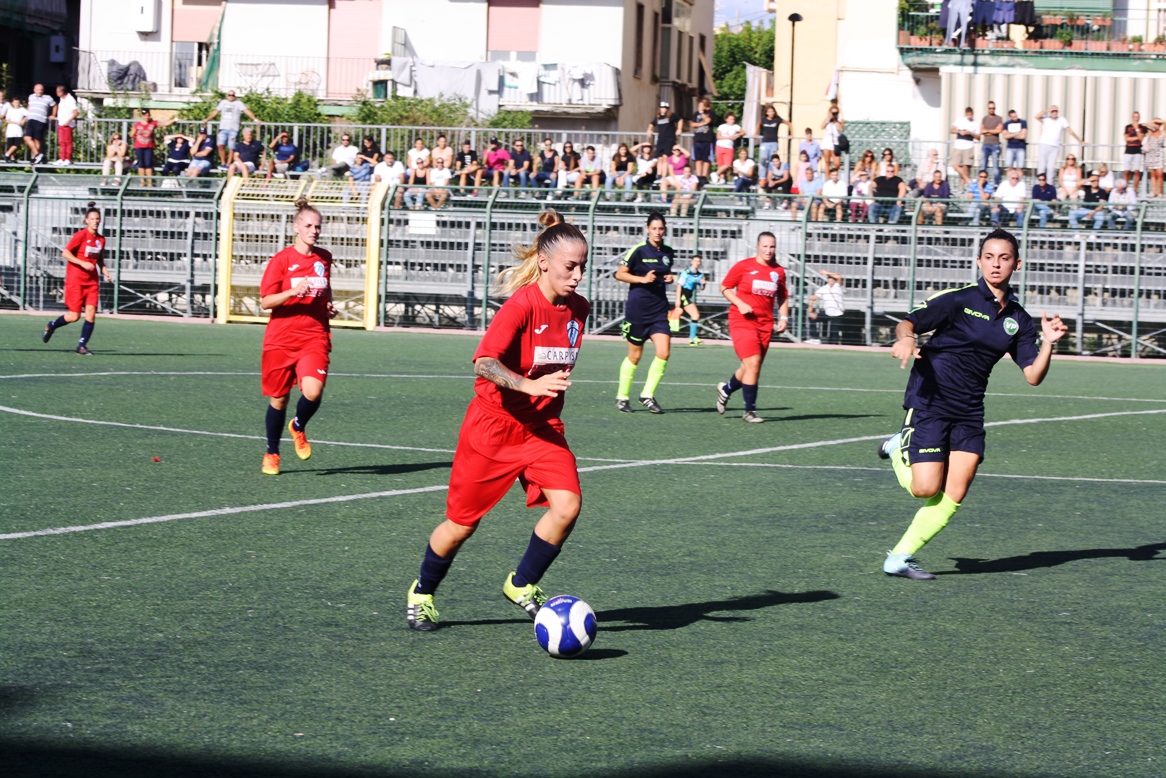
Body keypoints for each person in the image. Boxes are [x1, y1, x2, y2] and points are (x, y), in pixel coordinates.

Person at [404, 209, 590, 632]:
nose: (578, 275)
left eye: (582, 266)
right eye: (570, 266)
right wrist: (527, 386)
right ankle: (423, 592)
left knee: (568, 506)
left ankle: (521, 584)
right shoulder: (520, 306)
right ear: (545, 262)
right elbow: (483, 363)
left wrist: (540, 394)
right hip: (494, 427)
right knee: (460, 526)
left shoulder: (580, 308)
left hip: (542, 429)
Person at [877, 228, 1069, 580]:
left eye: (1004, 258)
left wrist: (1048, 343)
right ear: (979, 260)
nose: (996, 264)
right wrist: (905, 340)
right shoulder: (958, 299)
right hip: (931, 398)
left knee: (955, 492)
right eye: (990, 257)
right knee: (925, 488)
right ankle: (894, 447)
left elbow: (1033, 375)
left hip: (968, 409)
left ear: (1017, 264)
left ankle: (899, 558)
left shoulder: (1019, 320)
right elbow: (908, 323)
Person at [257, 197, 336, 476]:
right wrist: (293, 291)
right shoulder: (281, 261)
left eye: (318, 226)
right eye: (309, 225)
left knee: (313, 391)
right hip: (281, 338)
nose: (314, 230)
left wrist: (328, 304)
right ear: (296, 228)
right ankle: (272, 452)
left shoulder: (324, 257)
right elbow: (266, 302)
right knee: (279, 399)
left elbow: (325, 288)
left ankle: (298, 426)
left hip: (314, 335)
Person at [715, 232, 789, 423]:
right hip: (742, 321)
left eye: (772, 246)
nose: (768, 250)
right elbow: (724, 287)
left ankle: (726, 390)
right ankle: (749, 411)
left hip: (765, 324)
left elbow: (782, 296)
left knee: (749, 367)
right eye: (765, 246)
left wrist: (784, 317)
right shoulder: (744, 266)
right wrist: (739, 303)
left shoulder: (779, 271)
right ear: (757, 246)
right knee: (753, 363)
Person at [615, 212, 675, 414]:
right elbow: (619, 274)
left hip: (659, 310)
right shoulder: (638, 251)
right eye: (654, 228)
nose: (658, 232)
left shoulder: (668, 252)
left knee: (664, 352)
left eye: (661, 228)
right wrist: (642, 279)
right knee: (635, 356)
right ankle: (622, 397)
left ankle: (647, 395)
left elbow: (665, 273)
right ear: (647, 228)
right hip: (638, 310)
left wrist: (669, 279)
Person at [41, 202, 113, 355]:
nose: (95, 221)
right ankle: (52, 325)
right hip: (76, 280)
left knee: (91, 312)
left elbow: (99, 258)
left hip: (92, 281)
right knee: (74, 316)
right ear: (86, 220)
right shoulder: (80, 235)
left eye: (97, 219)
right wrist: (82, 263)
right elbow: (65, 253)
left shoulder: (101, 239)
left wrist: (105, 271)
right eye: (92, 218)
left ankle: (82, 346)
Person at [203, 90, 260, 167]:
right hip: (223, 128)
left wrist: (255, 119)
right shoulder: (223, 102)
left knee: (231, 147)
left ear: (235, 96)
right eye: (229, 95)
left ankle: (228, 163)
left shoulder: (239, 103)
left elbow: (246, 111)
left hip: (233, 129)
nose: (231, 96)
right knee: (220, 145)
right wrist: (207, 119)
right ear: (227, 96)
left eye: (233, 95)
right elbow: (216, 111)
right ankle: (223, 162)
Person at [1034, 105, 1082, 181]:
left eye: (1056, 111)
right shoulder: (1046, 119)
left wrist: (1079, 140)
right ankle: (1040, 186)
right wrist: (1047, 110)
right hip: (1044, 144)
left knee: (1051, 168)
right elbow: (1036, 116)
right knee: (1041, 166)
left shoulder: (1062, 120)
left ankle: (1050, 187)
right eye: (1053, 111)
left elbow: (1070, 131)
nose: (1054, 113)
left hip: (1054, 147)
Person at [132, 108, 176, 180]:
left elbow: (165, 123)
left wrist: (174, 120)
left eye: (148, 115)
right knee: (141, 164)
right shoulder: (137, 125)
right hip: (139, 146)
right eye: (145, 115)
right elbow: (132, 134)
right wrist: (139, 138)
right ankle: (142, 181)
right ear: (142, 116)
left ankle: (150, 182)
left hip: (149, 146)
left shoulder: (153, 123)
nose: (146, 117)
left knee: (148, 164)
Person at [674, 254, 706, 345]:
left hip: (688, 296)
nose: (696, 263)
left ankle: (692, 338)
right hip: (683, 295)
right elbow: (679, 285)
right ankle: (692, 339)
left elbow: (701, 288)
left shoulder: (700, 275)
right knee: (695, 315)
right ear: (691, 262)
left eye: (698, 261)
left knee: (676, 316)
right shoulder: (686, 272)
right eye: (695, 261)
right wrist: (678, 300)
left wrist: (703, 284)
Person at [808, 270, 845, 344]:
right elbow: (812, 299)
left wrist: (826, 273)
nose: (831, 280)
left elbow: (839, 277)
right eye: (829, 278)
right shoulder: (824, 288)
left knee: (834, 332)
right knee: (812, 318)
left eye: (833, 278)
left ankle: (834, 346)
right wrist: (811, 311)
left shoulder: (838, 286)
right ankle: (815, 338)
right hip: (827, 313)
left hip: (837, 313)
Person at [23, 83, 55, 164]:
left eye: (41, 90)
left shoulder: (48, 98)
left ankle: (35, 157)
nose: (39, 91)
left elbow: (55, 105)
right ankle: (38, 154)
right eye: (38, 90)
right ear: (34, 90)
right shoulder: (31, 97)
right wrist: (27, 115)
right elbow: (29, 106)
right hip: (31, 119)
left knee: (37, 140)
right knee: (27, 137)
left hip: (41, 120)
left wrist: (53, 115)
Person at [758, 104, 791, 176]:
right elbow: (758, 124)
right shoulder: (763, 119)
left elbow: (789, 124)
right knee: (763, 160)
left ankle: (770, 176)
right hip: (765, 143)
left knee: (772, 161)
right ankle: (763, 177)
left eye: (772, 111)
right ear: (766, 112)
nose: (771, 113)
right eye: (769, 111)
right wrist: (755, 133)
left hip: (774, 143)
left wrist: (792, 134)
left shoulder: (777, 119)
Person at [950, 106, 979, 187]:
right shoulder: (960, 121)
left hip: (969, 146)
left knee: (966, 167)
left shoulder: (975, 123)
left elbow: (979, 137)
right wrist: (959, 131)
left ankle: (961, 187)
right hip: (958, 146)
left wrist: (971, 133)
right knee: (954, 164)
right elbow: (951, 130)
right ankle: (968, 180)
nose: (969, 116)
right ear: (966, 114)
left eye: (971, 115)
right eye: (968, 115)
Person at [648, 101, 682, 166]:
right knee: (659, 158)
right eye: (662, 107)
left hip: (669, 139)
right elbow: (652, 123)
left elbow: (680, 120)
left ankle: (664, 174)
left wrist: (679, 129)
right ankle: (659, 174)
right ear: (660, 108)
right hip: (661, 139)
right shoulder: (658, 117)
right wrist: (649, 130)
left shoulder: (671, 115)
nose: (664, 109)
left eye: (665, 108)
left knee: (665, 157)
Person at [51, 85, 79, 165]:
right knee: (62, 142)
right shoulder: (62, 99)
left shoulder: (70, 100)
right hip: (61, 123)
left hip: (67, 124)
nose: (56, 93)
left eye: (57, 91)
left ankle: (68, 158)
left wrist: (68, 121)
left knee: (67, 142)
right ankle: (62, 158)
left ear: (62, 92)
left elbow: (76, 112)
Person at [1122, 111, 1150, 192]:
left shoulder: (1142, 128)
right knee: (1127, 171)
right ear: (1132, 117)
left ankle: (1135, 189)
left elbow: (1141, 139)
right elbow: (1126, 139)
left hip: (1137, 151)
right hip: (1128, 150)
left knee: (1137, 171)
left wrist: (1137, 130)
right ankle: (1125, 188)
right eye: (1134, 117)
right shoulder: (1128, 127)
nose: (1136, 118)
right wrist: (1136, 138)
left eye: (1137, 117)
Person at [715, 112, 745, 182]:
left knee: (728, 164)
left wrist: (737, 135)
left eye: (733, 119)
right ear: (726, 119)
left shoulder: (735, 126)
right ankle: (722, 178)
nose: (732, 121)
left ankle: (716, 173)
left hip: (729, 147)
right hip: (720, 146)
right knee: (720, 164)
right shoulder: (722, 126)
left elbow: (743, 132)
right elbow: (718, 136)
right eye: (730, 119)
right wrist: (728, 137)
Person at [979, 101, 1004, 185]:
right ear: (987, 108)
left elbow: (999, 130)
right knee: (983, 166)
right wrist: (993, 131)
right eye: (990, 108)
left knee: (996, 167)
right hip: (985, 144)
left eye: (993, 108)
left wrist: (988, 131)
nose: (991, 110)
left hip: (995, 145)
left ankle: (996, 184)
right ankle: (981, 184)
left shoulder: (999, 118)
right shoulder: (984, 118)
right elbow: (981, 130)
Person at [691, 96, 715, 181]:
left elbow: (708, 120)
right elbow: (692, 124)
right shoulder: (696, 114)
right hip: (698, 138)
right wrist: (701, 124)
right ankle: (698, 176)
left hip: (707, 139)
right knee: (698, 159)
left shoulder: (711, 113)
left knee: (706, 159)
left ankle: (704, 177)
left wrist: (702, 112)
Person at [1144, 118, 1165, 199]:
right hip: (1150, 154)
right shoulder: (1150, 132)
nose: (1157, 125)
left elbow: (1165, 124)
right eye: (1156, 123)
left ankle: (1160, 192)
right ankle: (1153, 192)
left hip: (1159, 154)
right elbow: (1144, 124)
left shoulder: (1162, 132)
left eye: (1158, 124)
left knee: (1160, 174)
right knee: (1152, 174)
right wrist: (1152, 122)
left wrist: (1161, 121)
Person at [820, 105, 845, 173]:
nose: (834, 114)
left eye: (836, 113)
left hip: (836, 143)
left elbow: (842, 129)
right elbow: (821, 127)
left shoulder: (840, 121)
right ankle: (828, 179)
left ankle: (833, 174)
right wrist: (829, 119)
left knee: (837, 164)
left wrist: (836, 121)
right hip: (827, 142)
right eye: (833, 112)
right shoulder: (827, 120)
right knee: (827, 162)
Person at [4, 97, 28, 161]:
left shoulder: (22, 109)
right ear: (12, 103)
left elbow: (28, 115)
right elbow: (7, 120)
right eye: (15, 102)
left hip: (18, 130)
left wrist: (23, 121)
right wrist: (16, 122)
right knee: (10, 145)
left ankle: (7, 154)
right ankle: (12, 158)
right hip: (11, 130)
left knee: (16, 144)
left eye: (18, 102)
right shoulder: (10, 110)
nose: (16, 104)